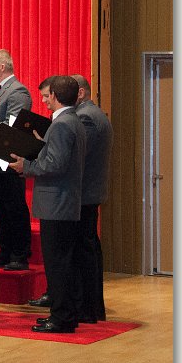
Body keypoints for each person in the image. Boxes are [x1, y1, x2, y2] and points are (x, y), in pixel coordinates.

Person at [9, 75, 86, 333]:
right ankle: (65, 314)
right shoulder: (70, 120)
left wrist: (26, 166)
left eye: (46, 95)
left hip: (57, 202)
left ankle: (61, 317)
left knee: (58, 264)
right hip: (62, 201)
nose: (45, 100)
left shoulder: (62, 123)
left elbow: (55, 164)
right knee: (62, 262)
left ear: (54, 95)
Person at [0, 49, 34, 272]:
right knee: (1, 208)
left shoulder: (17, 91)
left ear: (2, 67)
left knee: (14, 207)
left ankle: (20, 253)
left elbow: (13, 124)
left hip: (10, 157)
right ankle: (6, 250)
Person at [70, 74, 111, 321]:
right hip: (89, 191)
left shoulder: (85, 117)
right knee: (89, 248)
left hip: (83, 193)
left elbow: (75, 155)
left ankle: (87, 307)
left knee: (84, 251)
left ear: (81, 93)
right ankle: (91, 306)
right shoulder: (96, 114)